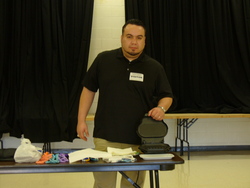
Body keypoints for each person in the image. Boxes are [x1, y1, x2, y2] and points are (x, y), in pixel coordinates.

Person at [77, 19, 173, 188]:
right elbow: (88, 90)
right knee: (103, 185)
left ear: (145, 40)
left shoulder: (154, 67)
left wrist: (161, 107)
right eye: (129, 36)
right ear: (121, 37)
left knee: (132, 185)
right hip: (105, 137)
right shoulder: (103, 60)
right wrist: (81, 120)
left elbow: (167, 96)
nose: (134, 42)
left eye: (139, 37)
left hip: (138, 140)